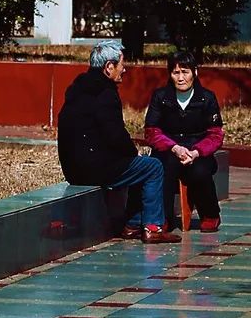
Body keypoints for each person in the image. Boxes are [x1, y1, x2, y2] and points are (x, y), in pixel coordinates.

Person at [56, 39, 179, 242]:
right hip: (95, 169)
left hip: (73, 168)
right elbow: (115, 135)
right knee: (153, 167)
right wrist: (133, 152)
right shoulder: (105, 94)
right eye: (122, 65)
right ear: (109, 67)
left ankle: (132, 226)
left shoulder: (78, 89)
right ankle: (152, 227)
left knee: (140, 166)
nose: (125, 69)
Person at [144, 50, 224, 233]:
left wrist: (196, 152)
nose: (181, 78)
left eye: (185, 72)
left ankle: (210, 214)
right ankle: (162, 218)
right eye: (176, 72)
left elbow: (215, 135)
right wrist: (174, 148)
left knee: (200, 170)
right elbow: (151, 132)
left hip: (197, 150)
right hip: (169, 148)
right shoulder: (160, 97)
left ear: (195, 73)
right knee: (162, 169)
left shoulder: (207, 98)